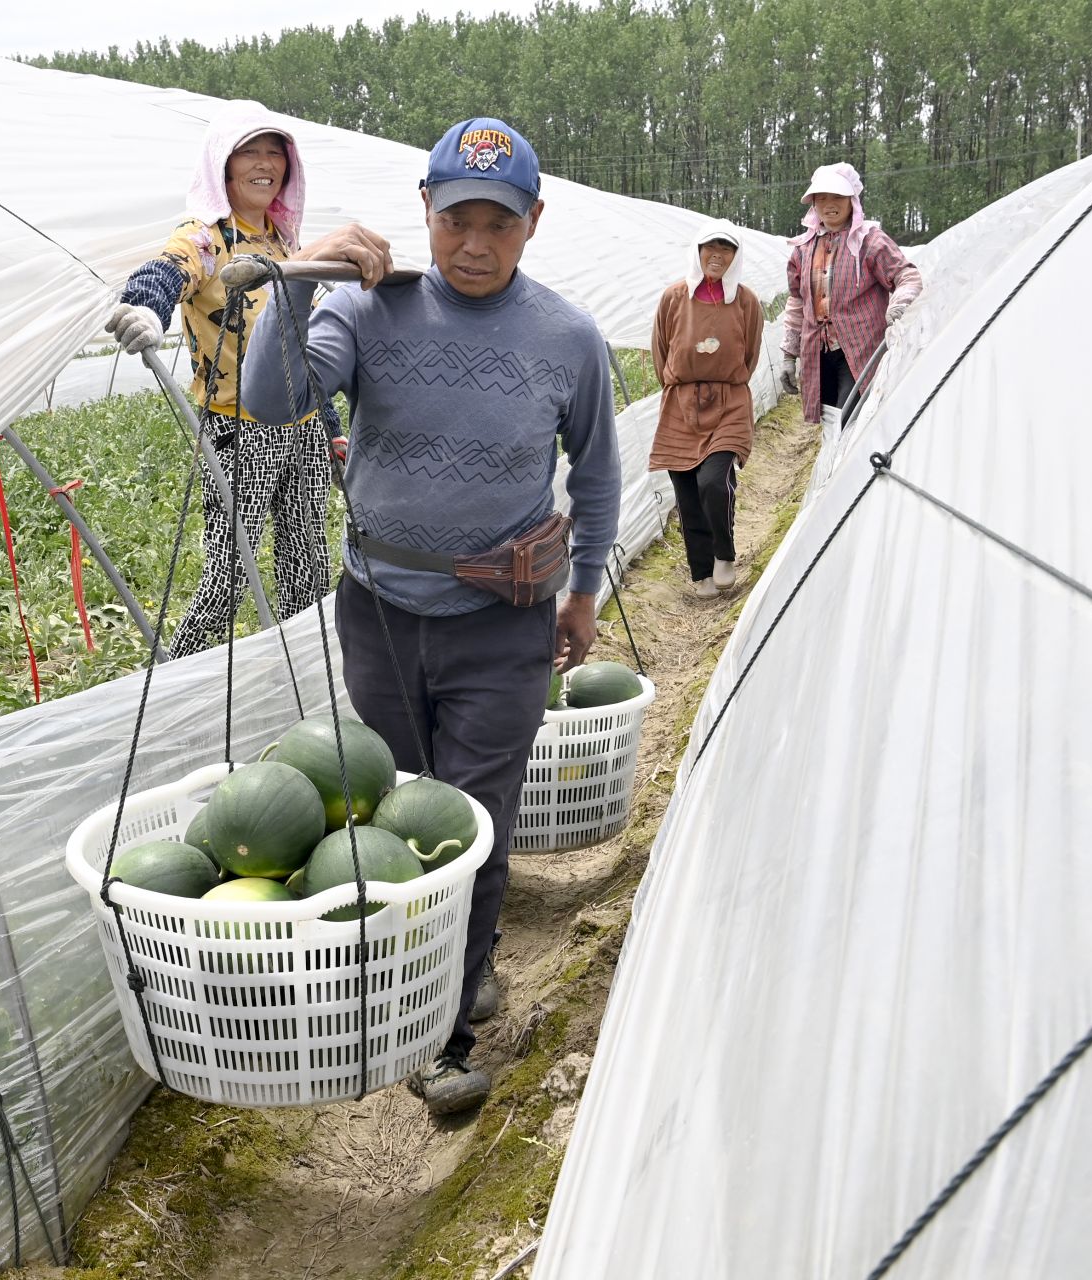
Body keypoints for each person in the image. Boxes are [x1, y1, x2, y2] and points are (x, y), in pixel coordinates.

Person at [242, 117, 621, 1117]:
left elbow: (599, 466)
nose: (474, 242)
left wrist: (582, 588)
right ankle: (448, 974)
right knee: (404, 809)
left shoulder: (568, 339)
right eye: (457, 218)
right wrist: (304, 280)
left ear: (533, 222)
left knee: (472, 822)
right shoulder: (371, 311)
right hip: (380, 611)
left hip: (503, 620)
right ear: (427, 212)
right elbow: (271, 397)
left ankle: (446, 1032)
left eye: (498, 221)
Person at [103, 101, 352, 655]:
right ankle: (179, 677)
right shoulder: (207, 238)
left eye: (275, 152)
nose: (265, 164)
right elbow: (169, 268)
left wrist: (331, 428)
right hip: (240, 428)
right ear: (223, 164)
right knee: (228, 575)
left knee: (306, 563)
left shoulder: (285, 242)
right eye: (250, 152)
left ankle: (299, 671)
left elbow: (301, 344)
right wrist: (147, 307)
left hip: (304, 424)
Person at [649, 220, 763, 599]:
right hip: (681, 403)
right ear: (698, 253)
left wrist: (722, 379)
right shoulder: (673, 297)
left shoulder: (745, 301)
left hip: (729, 400)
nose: (717, 255)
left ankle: (724, 553)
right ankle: (702, 572)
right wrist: (681, 385)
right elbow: (661, 350)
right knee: (685, 490)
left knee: (713, 481)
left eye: (726, 249)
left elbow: (750, 352)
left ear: (735, 256)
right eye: (710, 248)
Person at [778, 162, 923, 426]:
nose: (829, 204)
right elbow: (797, 302)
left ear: (851, 200)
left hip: (859, 349)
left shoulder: (869, 241)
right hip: (819, 352)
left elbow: (907, 275)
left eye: (837, 197)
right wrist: (789, 354)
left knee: (850, 419)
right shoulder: (804, 248)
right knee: (830, 422)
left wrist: (899, 304)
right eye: (821, 198)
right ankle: (834, 467)